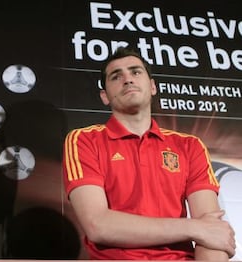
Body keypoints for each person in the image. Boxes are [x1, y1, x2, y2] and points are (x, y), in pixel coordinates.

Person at [62, 47, 236, 261]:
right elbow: (98, 225)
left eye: (135, 72)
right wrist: (193, 227)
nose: (127, 80)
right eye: (116, 76)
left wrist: (203, 230)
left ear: (152, 86)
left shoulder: (189, 145)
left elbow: (213, 233)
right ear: (104, 96)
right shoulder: (84, 140)